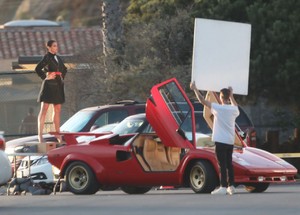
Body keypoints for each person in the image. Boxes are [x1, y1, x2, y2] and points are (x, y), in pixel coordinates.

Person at [190, 81, 239, 195]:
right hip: (230, 141)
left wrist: (195, 89)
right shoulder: (234, 110)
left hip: (220, 141)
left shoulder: (218, 108)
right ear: (228, 97)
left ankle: (223, 187)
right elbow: (235, 105)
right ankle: (231, 186)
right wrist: (232, 95)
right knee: (229, 164)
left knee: (222, 164)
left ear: (221, 98)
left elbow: (202, 101)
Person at [35, 40, 67, 143]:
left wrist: (61, 76)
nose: (56, 47)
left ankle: (58, 136)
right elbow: (37, 68)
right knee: (44, 109)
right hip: (48, 85)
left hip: (58, 86)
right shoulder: (47, 57)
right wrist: (45, 77)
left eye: (57, 45)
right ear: (48, 47)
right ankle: (40, 136)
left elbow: (65, 69)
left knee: (57, 109)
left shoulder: (58, 58)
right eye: (54, 46)